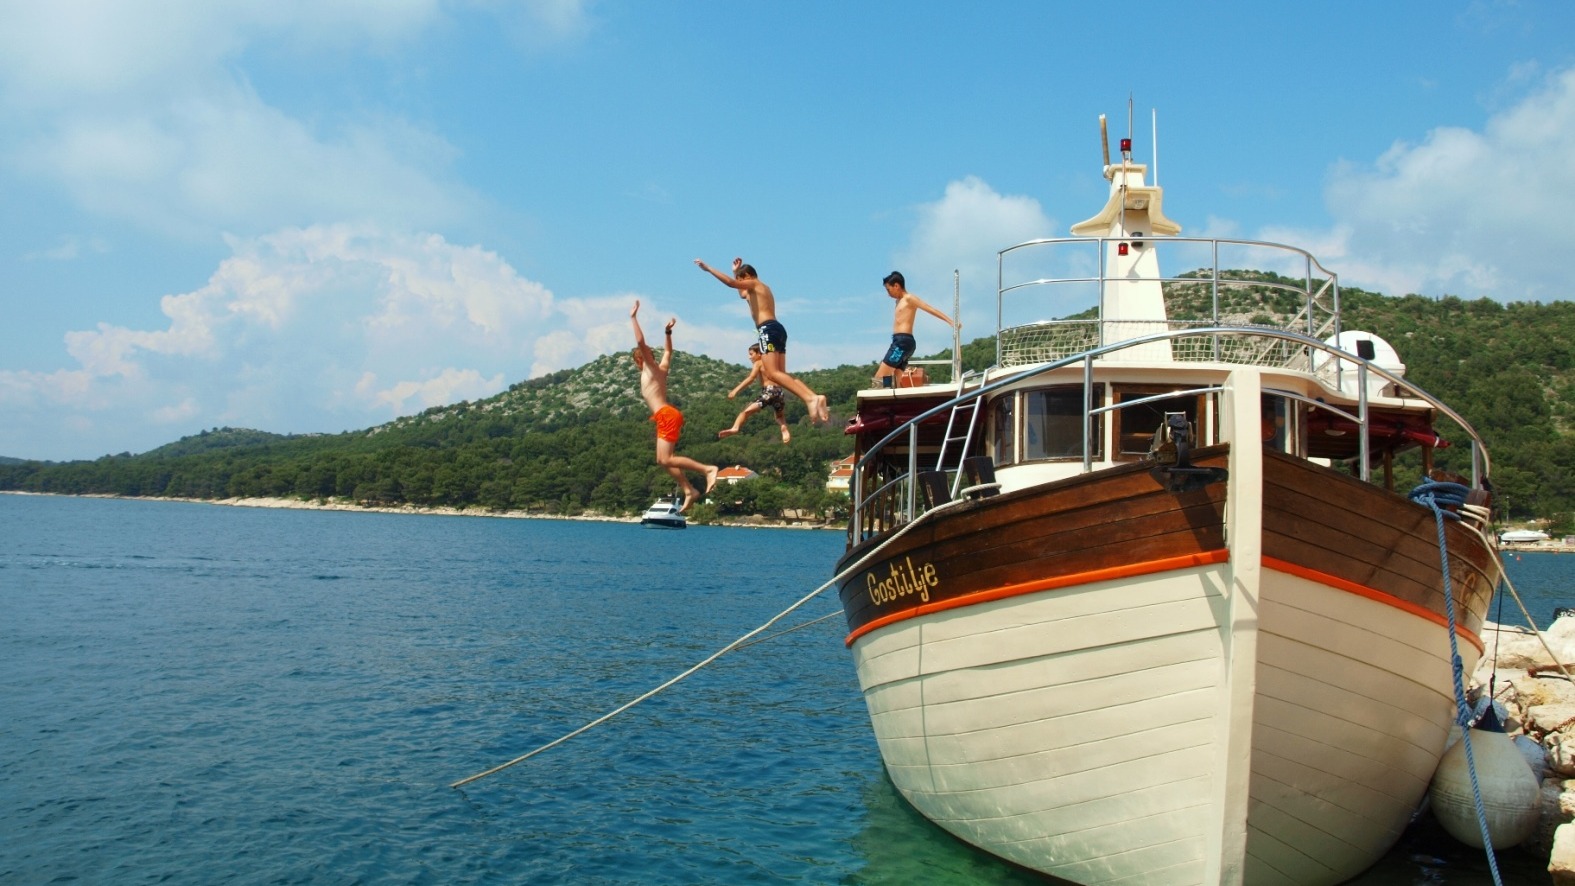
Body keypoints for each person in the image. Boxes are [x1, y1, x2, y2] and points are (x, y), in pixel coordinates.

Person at [695, 257, 830, 423]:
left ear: (749, 276)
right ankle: (814, 397)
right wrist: (736, 272)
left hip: (767, 330)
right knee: (780, 374)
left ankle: (810, 399)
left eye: (741, 279)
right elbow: (741, 293)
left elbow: (731, 284)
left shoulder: (754, 283)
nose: (741, 284)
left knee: (772, 373)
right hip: (776, 329)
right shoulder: (759, 289)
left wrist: (708, 269)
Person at [630, 300, 719, 512]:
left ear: (641, 359)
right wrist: (667, 334)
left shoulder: (651, 367)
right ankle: (689, 490)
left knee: (666, 458)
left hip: (666, 414)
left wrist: (633, 318)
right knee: (663, 460)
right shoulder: (660, 368)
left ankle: (707, 470)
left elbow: (641, 341)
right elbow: (668, 353)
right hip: (665, 415)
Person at [874, 270, 959, 387]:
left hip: (902, 343)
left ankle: (881, 397)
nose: (888, 294)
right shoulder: (898, 301)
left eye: (888, 289)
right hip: (901, 342)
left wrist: (951, 322)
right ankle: (894, 401)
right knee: (895, 382)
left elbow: (930, 309)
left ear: (897, 286)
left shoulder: (909, 298)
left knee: (879, 378)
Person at [718, 344, 791, 444]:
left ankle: (735, 428)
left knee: (745, 412)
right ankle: (784, 428)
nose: (749, 357)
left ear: (759, 354)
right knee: (779, 416)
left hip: (768, 391)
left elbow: (750, 378)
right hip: (779, 391)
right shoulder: (773, 363)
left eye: (751, 354)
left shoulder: (759, 363)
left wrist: (735, 390)